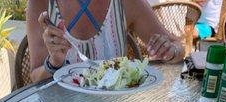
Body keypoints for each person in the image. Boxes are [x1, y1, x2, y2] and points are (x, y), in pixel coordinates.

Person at [27, 0, 185, 82]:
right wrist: (54, 62)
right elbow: (36, 76)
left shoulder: (126, 3)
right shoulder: (41, 3)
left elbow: (178, 47)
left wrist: (170, 51)